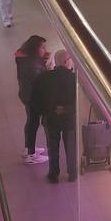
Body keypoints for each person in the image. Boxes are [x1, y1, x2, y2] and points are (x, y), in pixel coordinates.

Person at [31, 48, 77, 184]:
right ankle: (72, 173)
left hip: (50, 119)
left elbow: (36, 100)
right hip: (69, 119)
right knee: (71, 147)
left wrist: (45, 112)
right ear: (66, 62)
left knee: (52, 147)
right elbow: (77, 101)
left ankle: (53, 174)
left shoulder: (44, 78)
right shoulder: (73, 78)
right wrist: (65, 109)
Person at [14, 36, 49, 165]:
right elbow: (40, 82)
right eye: (42, 47)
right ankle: (31, 155)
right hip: (33, 98)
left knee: (30, 122)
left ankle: (28, 148)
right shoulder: (32, 66)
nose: (45, 50)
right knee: (33, 123)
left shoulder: (24, 58)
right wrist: (47, 70)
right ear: (35, 48)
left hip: (26, 95)